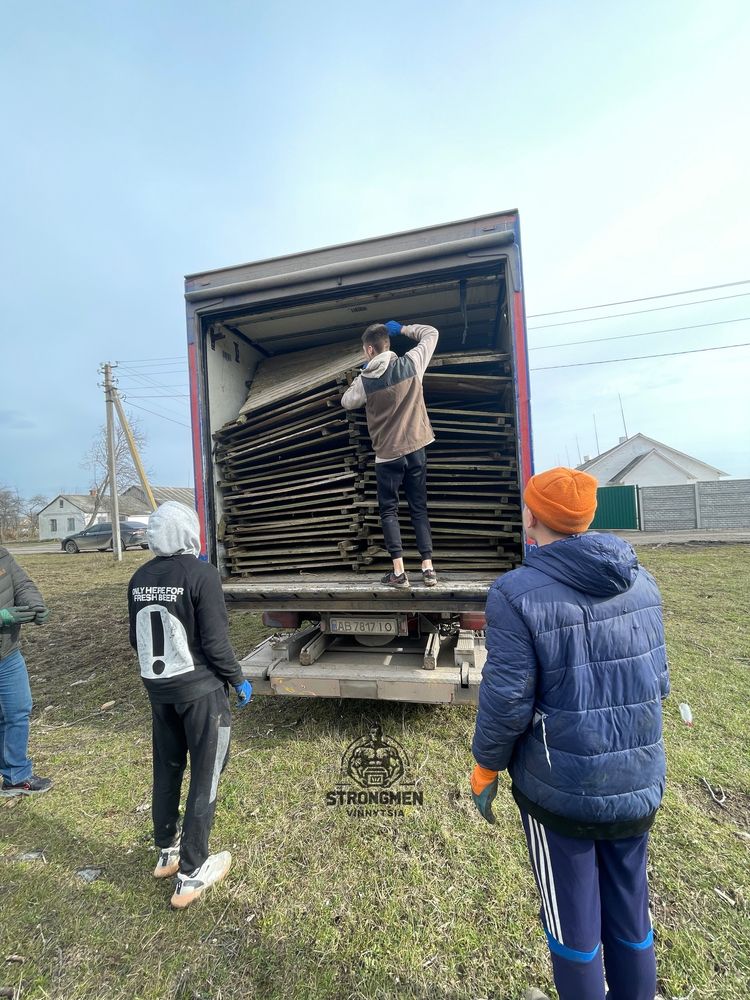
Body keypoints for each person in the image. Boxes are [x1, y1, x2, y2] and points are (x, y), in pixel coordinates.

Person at [469, 468, 669, 1000]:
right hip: (637, 785)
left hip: (563, 797)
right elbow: (660, 681)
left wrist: (486, 767)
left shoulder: (514, 594)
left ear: (531, 518)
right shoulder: (642, 581)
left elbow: (507, 702)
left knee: (573, 928)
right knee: (631, 915)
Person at [127, 501, 253, 909]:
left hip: (159, 691)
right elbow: (215, 643)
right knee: (206, 774)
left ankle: (167, 850)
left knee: (166, 768)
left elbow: (137, 640)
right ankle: (192, 872)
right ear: (189, 532)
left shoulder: (138, 578)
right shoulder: (201, 574)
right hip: (200, 693)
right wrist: (237, 679)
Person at [341, 319, 438, 588]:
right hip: (416, 448)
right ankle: (428, 569)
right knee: (419, 508)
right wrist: (405, 329)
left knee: (390, 512)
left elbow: (347, 402)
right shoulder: (412, 363)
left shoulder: (365, 380)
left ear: (370, 351)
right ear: (388, 344)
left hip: (387, 456)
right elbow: (431, 333)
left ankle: (399, 572)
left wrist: (361, 376)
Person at [0, 547, 52, 797]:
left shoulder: (1, 555)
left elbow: (22, 584)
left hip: (7, 653)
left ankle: (16, 777)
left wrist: (35, 605)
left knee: (17, 711)